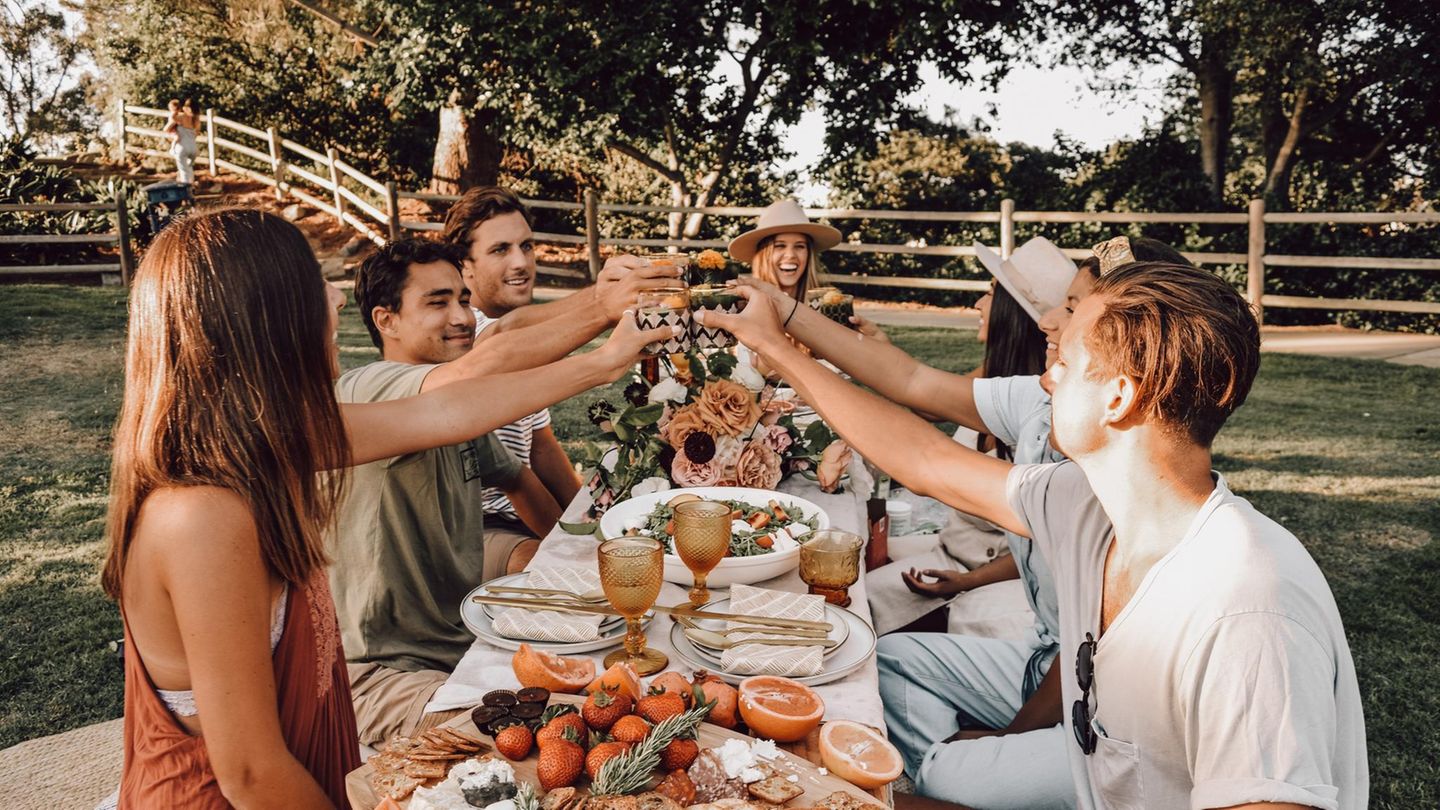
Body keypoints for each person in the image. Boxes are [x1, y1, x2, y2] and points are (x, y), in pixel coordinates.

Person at [699, 263, 1366, 810]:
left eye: (1067, 364)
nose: (1046, 377)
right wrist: (776, 346)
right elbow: (926, 460)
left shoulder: (1246, 603)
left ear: (1119, 398)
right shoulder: (1085, 500)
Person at [100, 208, 667, 807]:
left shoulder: (276, 442)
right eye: (312, 279)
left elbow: (445, 412)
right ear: (267, 320)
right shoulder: (201, 517)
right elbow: (250, 774)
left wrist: (608, 360)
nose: (337, 293)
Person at [333, 235, 675, 746]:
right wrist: (604, 329)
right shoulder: (368, 388)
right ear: (386, 321)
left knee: (628, 674)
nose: (461, 318)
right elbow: (478, 366)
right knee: (537, 741)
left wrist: (581, 559)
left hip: (466, 641)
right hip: (379, 676)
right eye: (436, 302)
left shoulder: (461, 412)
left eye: (462, 299)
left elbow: (517, 480)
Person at [441, 187, 586, 569]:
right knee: (551, 573)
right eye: (500, 250)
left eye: (527, 246)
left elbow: (541, 447)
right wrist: (606, 304)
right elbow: (503, 337)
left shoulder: (520, 340)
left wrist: (594, 523)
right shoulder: (464, 333)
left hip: (522, 519)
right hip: (472, 525)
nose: (521, 262)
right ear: (464, 265)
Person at [729, 198, 842, 303]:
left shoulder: (829, 303)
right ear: (763, 255)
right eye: (780, 246)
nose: (790, 255)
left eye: (799, 246)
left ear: (809, 254)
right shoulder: (742, 303)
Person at [163, 98, 198, 185]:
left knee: (183, 171)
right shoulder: (196, 120)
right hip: (193, 148)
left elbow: (171, 120)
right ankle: (192, 187)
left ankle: (185, 190)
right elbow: (196, 134)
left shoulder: (181, 117)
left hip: (182, 147)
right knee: (189, 168)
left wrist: (175, 111)